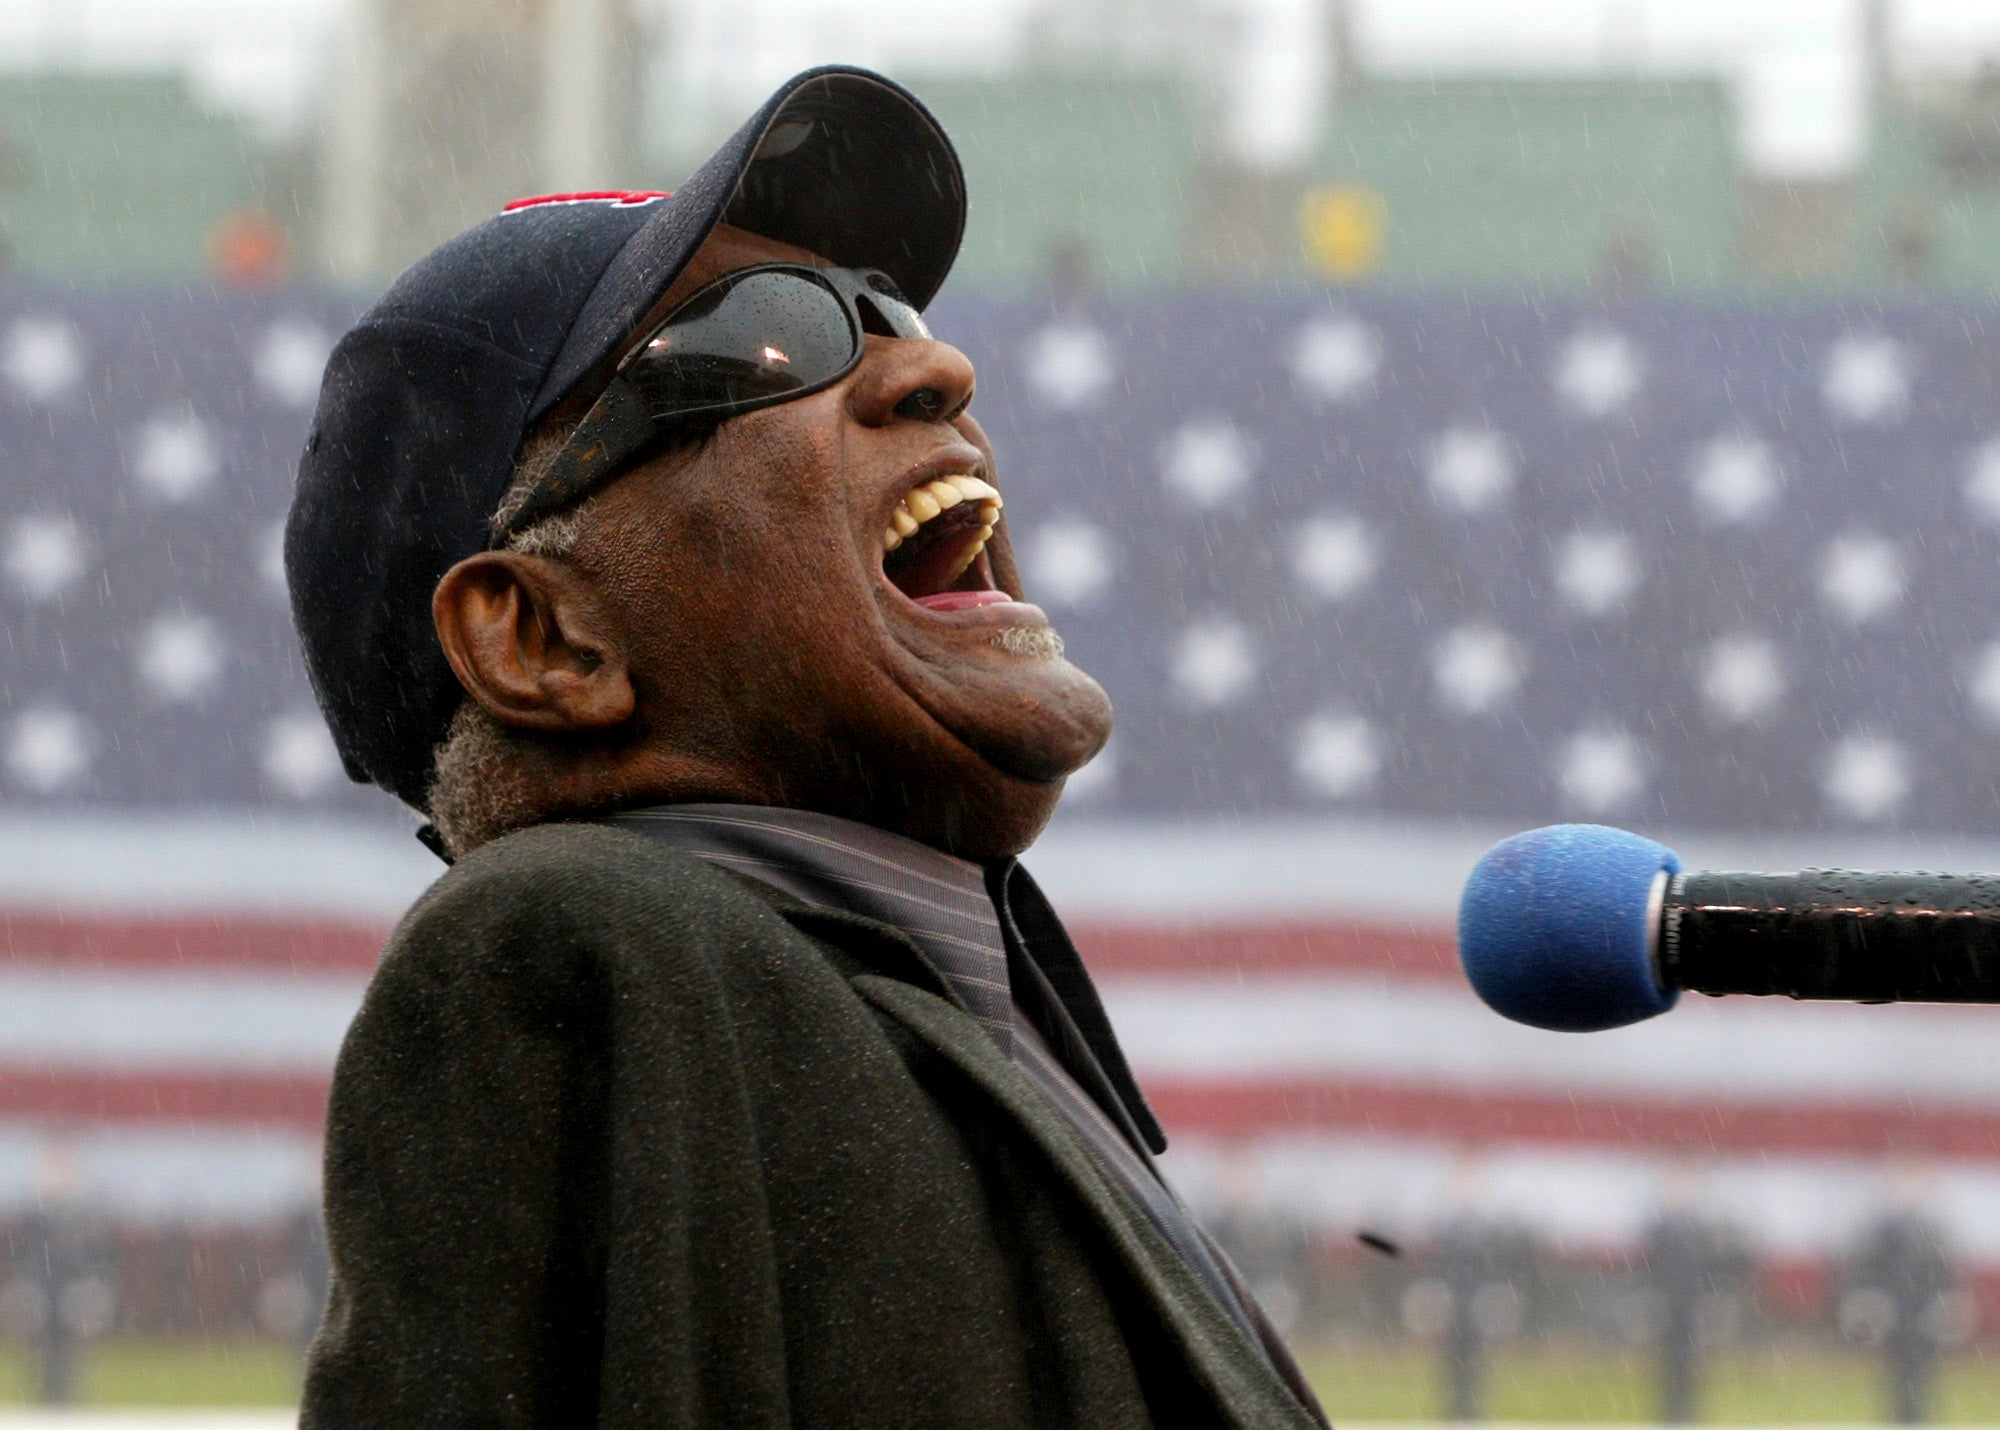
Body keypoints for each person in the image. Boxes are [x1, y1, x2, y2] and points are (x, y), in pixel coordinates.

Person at [284, 66, 1327, 1427]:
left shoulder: (891, 1014)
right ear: (545, 639)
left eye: (886, 310)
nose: (934, 365)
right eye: (766, 333)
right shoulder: (572, 951)